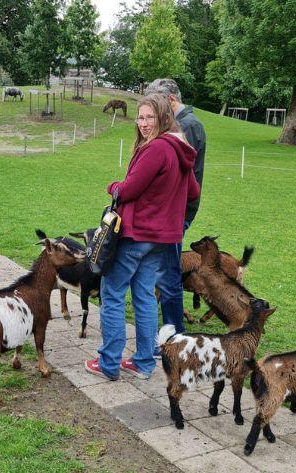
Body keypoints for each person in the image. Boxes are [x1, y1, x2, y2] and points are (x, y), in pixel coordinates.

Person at [85, 94, 199, 380]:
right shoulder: (180, 148)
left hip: (137, 235)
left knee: (111, 295)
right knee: (145, 296)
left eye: (150, 117)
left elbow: (129, 190)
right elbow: (193, 192)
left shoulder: (157, 149)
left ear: (164, 118)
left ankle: (109, 363)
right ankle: (144, 363)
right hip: (163, 239)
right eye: (141, 117)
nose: (144, 123)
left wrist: (114, 186)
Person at [144, 78, 207, 348]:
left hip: (175, 214)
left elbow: (179, 176)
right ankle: (173, 334)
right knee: (164, 273)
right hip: (170, 212)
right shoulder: (183, 124)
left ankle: (175, 340)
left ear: (170, 100)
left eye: (158, 108)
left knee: (169, 276)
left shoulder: (188, 126)